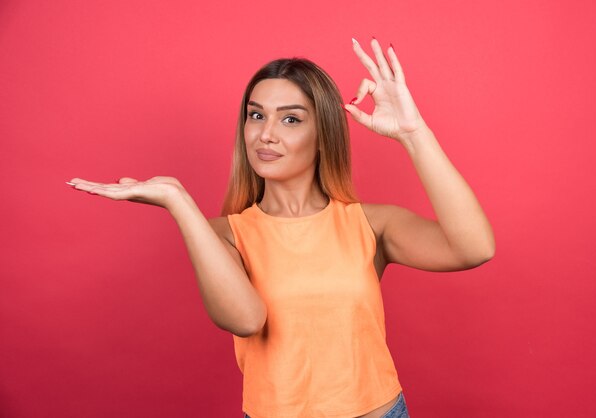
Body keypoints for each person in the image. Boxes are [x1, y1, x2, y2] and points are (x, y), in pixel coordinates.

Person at [68, 38, 495, 418]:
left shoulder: (369, 222)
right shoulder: (222, 234)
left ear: (323, 133)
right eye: (257, 116)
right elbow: (246, 319)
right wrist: (180, 204)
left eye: (290, 119)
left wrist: (412, 132)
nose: (266, 135)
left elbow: (474, 248)